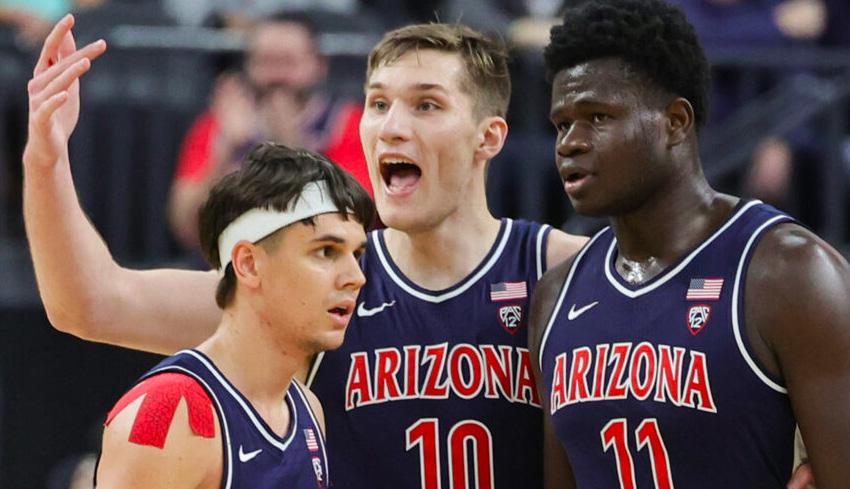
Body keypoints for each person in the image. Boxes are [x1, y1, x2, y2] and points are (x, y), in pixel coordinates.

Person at [23, 13, 815, 489]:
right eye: (378, 103)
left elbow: (755, 356)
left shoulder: (565, 272)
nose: (392, 125)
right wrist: (46, 163)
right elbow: (91, 303)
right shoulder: (322, 283)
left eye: (426, 105)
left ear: (489, 137)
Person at [528, 1, 850, 488]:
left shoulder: (789, 272)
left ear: (675, 122)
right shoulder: (555, 296)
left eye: (597, 116)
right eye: (562, 124)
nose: (569, 143)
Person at [96, 142, 371, 488]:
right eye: (326, 251)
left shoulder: (307, 408)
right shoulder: (168, 413)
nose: (356, 277)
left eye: (356, 255)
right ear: (248, 264)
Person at [168, 11, 369, 252]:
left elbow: (357, 217)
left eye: (288, 62)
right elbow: (185, 225)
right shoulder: (219, 123)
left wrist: (291, 146)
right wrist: (225, 152)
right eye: (264, 62)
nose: (276, 77)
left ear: (319, 65)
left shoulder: (348, 124)